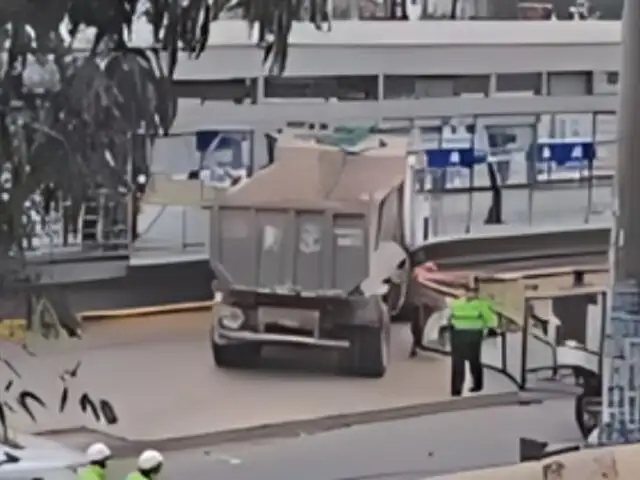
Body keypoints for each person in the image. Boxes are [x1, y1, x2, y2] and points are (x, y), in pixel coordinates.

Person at [448, 281, 498, 397]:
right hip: (473, 334)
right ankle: (476, 385)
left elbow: (449, 317)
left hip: (460, 334)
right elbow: (491, 319)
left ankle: (457, 389)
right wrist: (490, 328)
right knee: (473, 360)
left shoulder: (455, 304)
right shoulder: (481, 304)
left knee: (459, 362)